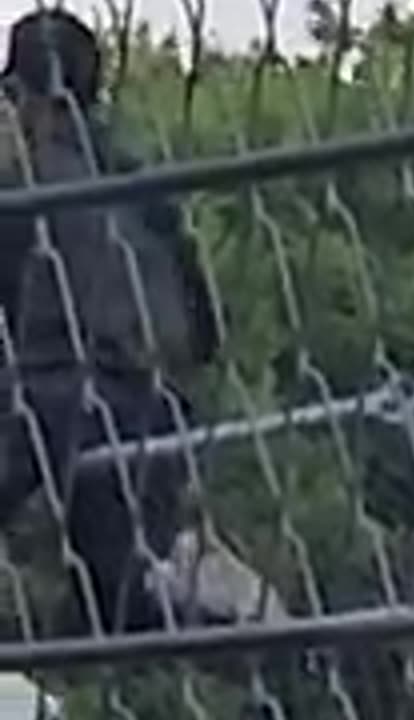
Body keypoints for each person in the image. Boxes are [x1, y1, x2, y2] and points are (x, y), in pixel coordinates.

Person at [0, 7, 220, 635]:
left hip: (62, 401)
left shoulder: (26, 195)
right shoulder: (144, 187)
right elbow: (206, 329)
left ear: (25, 98)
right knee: (119, 602)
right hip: (161, 412)